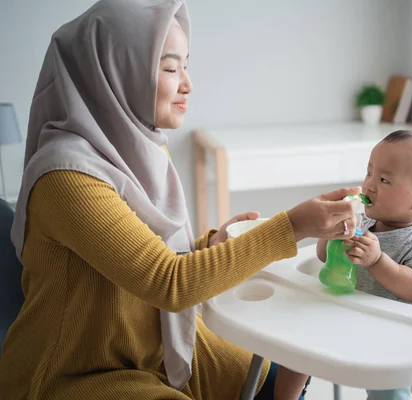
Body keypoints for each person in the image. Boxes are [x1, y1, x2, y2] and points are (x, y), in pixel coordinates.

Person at [0, 1, 360, 399]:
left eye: (186, 66)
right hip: (75, 372)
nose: (188, 84)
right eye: (171, 68)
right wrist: (292, 226)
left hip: (147, 347)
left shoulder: (139, 149)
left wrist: (212, 244)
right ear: (113, 73)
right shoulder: (65, 177)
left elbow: (153, 254)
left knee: (277, 371)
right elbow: (169, 283)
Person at [317, 129, 412, 400]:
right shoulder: (363, 221)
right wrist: (330, 233)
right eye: (369, 173)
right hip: (353, 314)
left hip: (399, 332)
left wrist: (378, 260)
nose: (368, 185)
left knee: (388, 391)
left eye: (383, 179)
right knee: (295, 348)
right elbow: (325, 257)